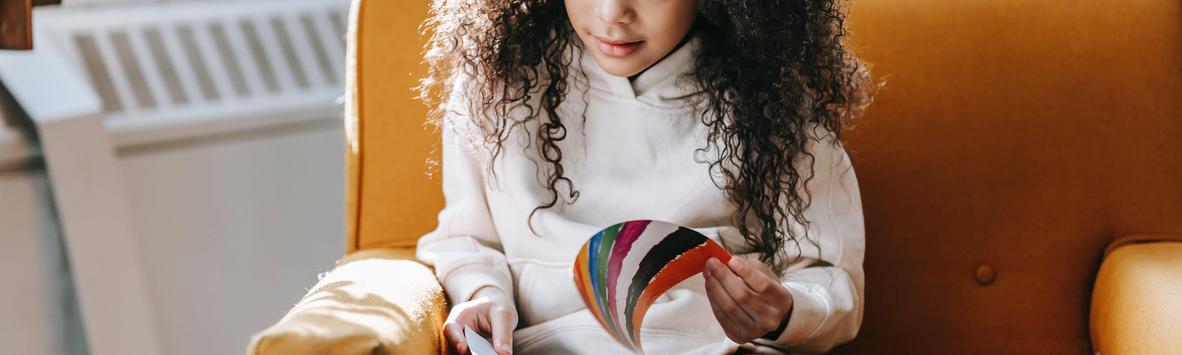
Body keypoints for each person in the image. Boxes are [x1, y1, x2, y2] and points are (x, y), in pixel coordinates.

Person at [415, 0, 872, 353]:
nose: (613, 13)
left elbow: (831, 285)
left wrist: (784, 312)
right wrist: (482, 292)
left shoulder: (774, 108)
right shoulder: (496, 87)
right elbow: (467, 238)